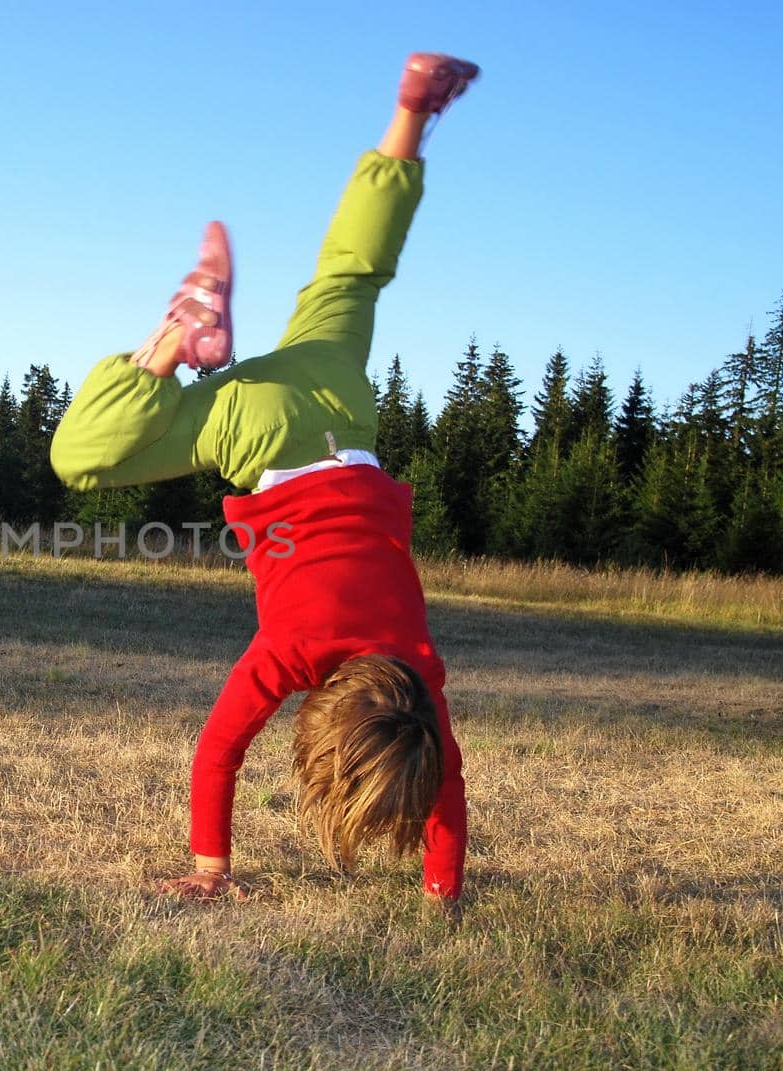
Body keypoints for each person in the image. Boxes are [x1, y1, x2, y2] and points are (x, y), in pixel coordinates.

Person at [49, 53, 481, 916]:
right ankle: (176, 341)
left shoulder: (420, 671)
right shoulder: (292, 650)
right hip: (266, 432)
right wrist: (209, 866)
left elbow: (448, 791)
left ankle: (413, 110)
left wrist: (446, 888)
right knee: (82, 458)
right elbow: (220, 749)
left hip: (340, 396)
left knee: (353, 272)